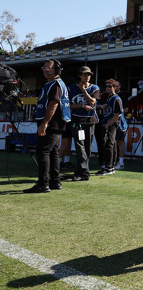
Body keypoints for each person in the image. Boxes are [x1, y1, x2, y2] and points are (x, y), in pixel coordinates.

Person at [24, 60, 71, 193]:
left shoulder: (55, 84)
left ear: (56, 69)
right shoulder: (52, 83)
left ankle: (43, 183)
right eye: (44, 67)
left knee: (43, 151)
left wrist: (44, 123)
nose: (44, 69)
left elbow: (53, 105)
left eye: (48, 67)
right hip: (55, 123)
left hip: (51, 123)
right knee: (53, 152)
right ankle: (55, 181)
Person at [69, 66, 100, 181]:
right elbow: (69, 105)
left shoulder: (95, 88)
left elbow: (92, 101)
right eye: (84, 74)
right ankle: (84, 173)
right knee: (79, 146)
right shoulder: (71, 88)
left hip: (90, 120)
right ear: (80, 75)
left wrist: (83, 90)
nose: (87, 76)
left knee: (87, 148)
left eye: (89, 74)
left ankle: (79, 171)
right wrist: (81, 106)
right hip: (77, 121)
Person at [96, 79, 127, 176]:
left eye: (110, 86)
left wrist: (109, 124)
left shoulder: (116, 98)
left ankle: (109, 167)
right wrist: (104, 109)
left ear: (115, 87)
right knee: (110, 144)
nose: (108, 88)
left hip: (113, 124)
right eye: (107, 86)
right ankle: (109, 165)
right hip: (108, 122)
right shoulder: (109, 98)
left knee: (110, 144)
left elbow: (118, 114)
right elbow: (107, 113)